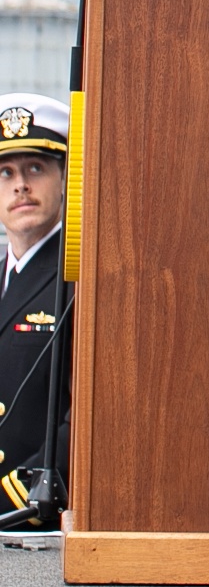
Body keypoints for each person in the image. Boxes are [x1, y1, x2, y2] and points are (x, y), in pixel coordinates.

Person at [0, 93, 71, 522]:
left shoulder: (82, 281)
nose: (20, 185)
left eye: (35, 168)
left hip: (31, 518)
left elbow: (86, 417)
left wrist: (18, 495)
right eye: (5, 172)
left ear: (64, 179)